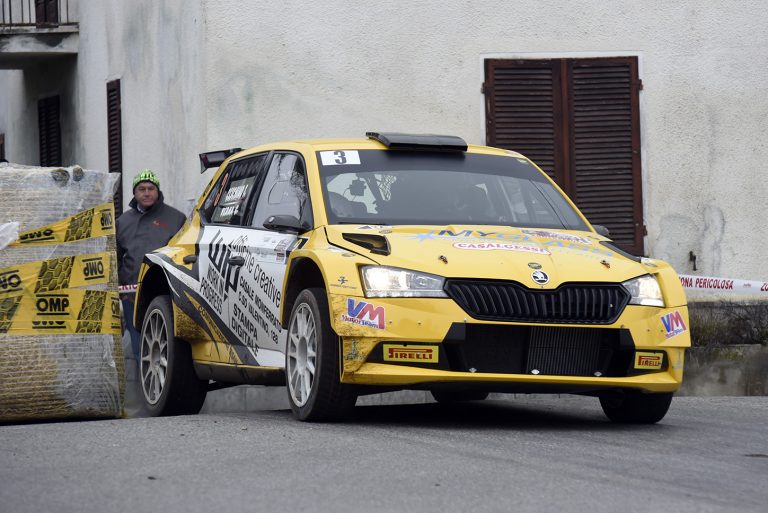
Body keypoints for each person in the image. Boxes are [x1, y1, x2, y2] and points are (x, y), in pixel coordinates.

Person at [117, 169, 186, 360]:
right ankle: (142, 378)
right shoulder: (122, 222)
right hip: (131, 295)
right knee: (138, 345)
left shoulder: (176, 219)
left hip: (164, 294)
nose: (147, 193)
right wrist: (121, 287)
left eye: (151, 188)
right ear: (134, 193)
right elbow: (115, 257)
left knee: (164, 345)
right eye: (142, 189)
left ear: (157, 191)